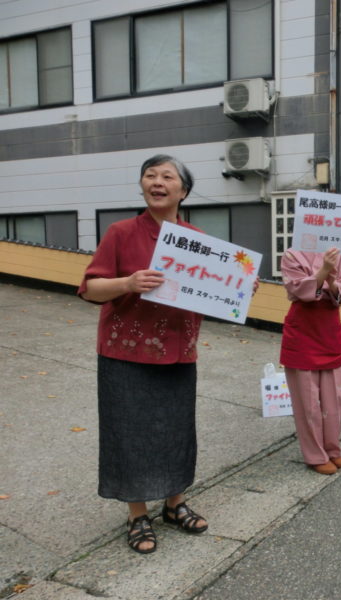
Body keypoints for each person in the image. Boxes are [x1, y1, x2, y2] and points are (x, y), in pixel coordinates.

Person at [79, 155, 209, 554]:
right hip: (125, 353)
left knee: (176, 431)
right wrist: (128, 282)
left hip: (179, 351)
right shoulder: (120, 232)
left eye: (167, 176)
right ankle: (137, 514)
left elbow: (214, 291)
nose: (157, 181)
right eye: (150, 176)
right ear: (141, 186)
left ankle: (174, 504)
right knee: (129, 434)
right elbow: (89, 288)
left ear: (182, 190)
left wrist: (239, 289)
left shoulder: (197, 239)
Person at [280, 246, 341, 474]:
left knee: (336, 398)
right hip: (303, 329)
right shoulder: (292, 254)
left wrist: (331, 282)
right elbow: (297, 289)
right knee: (308, 400)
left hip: (329, 328)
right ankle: (314, 454)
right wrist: (324, 270)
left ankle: (333, 449)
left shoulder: (339, 254)